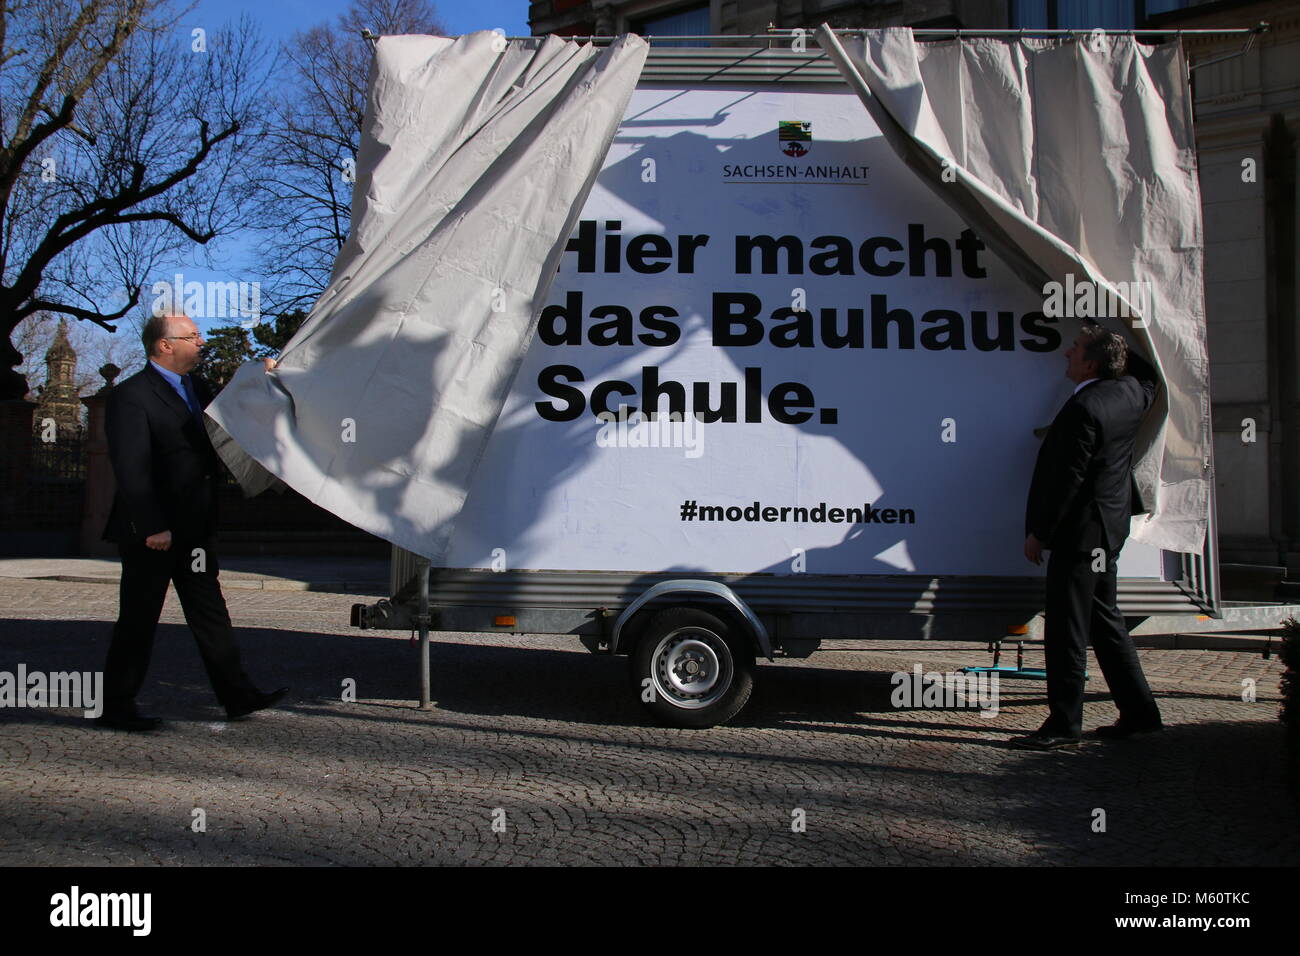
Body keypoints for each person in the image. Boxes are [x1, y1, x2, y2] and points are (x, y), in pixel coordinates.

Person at [98, 313, 287, 731]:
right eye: (192, 336)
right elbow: (131, 467)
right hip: (153, 532)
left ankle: (237, 695)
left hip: (195, 529)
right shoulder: (132, 395)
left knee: (210, 613)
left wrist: (260, 375)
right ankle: (116, 707)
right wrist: (152, 526)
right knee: (138, 618)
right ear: (165, 345)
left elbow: (233, 409)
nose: (200, 342)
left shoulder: (195, 387)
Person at [1013, 322, 1163, 750]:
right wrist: (1112, 337)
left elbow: (1067, 480)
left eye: (1075, 348)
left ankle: (1063, 724)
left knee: (1066, 628)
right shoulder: (1134, 393)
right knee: (1106, 621)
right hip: (1109, 529)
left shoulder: (1085, 408)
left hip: (1081, 535)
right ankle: (1140, 713)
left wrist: (1039, 533)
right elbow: (1149, 372)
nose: (1066, 354)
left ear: (1092, 362)